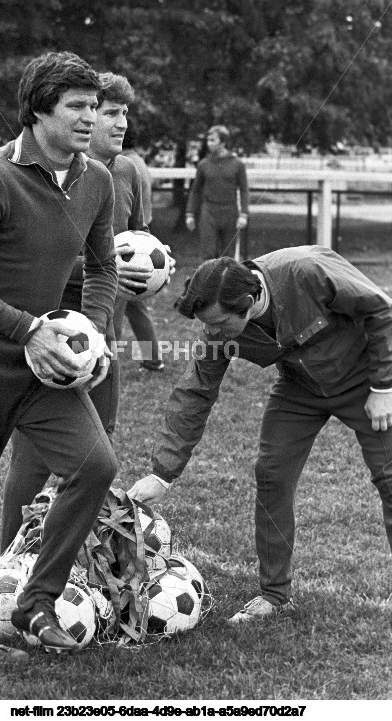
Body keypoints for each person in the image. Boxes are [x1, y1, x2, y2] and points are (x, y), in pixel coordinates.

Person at [0, 51, 118, 663]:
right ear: (39, 111)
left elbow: (104, 266)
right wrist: (28, 327)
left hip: (46, 363)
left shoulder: (98, 180)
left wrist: (95, 333)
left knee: (94, 464)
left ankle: (37, 602)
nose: (90, 117)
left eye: (94, 106)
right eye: (77, 106)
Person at [128, 246, 392, 624]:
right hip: (300, 389)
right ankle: (274, 595)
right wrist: (162, 473)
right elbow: (195, 393)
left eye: (218, 324)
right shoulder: (218, 331)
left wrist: (384, 387)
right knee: (271, 475)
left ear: (249, 303)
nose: (211, 333)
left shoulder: (306, 272)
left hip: (367, 381)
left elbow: (380, 309)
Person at [0, 72, 161, 553]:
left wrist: (151, 262)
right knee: (34, 458)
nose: (117, 122)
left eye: (121, 113)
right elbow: (43, 257)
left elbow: (128, 246)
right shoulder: (55, 173)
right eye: (109, 112)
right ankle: (9, 559)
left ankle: (77, 554)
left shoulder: (125, 172)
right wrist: (100, 269)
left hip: (103, 333)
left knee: (99, 450)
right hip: (56, 332)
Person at [114, 117, 164, 371]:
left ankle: (112, 359)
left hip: (133, 244)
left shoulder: (124, 165)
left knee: (124, 305)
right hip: (141, 241)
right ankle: (152, 357)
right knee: (135, 307)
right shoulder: (138, 162)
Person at [185, 125, 249, 262]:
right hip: (209, 212)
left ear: (223, 142)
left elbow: (244, 190)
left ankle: (227, 283)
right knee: (208, 254)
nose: (209, 143)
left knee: (228, 256)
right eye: (208, 140)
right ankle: (208, 282)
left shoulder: (237, 164)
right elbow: (195, 190)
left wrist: (244, 214)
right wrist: (190, 213)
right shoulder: (204, 164)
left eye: (213, 140)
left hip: (230, 212)